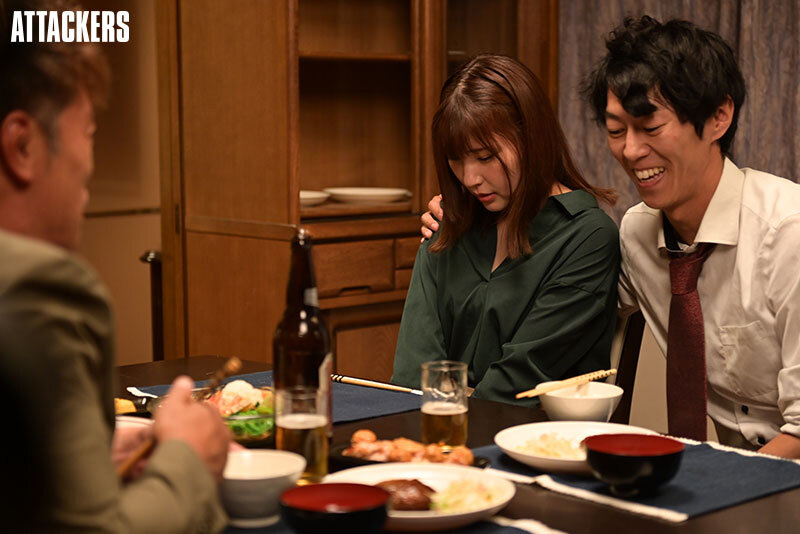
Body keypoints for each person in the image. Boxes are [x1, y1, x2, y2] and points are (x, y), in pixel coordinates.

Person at [422, 17, 800, 459]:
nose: (631, 151)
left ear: (719, 117)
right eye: (616, 131)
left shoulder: (787, 233)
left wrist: (717, 486)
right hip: (729, 463)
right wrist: (461, 224)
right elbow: (565, 294)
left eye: (651, 128)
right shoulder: (639, 234)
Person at [0, 0, 231, 531]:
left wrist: (85, 455)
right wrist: (189, 459)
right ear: (23, 145)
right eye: (88, 132)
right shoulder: (40, 288)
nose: (90, 164)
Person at [393, 55, 620, 406]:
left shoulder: (586, 237)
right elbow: (411, 379)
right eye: (456, 160)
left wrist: (454, 397)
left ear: (531, 139)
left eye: (485, 157)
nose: (470, 179)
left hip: (542, 438)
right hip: (437, 434)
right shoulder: (446, 226)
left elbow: (518, 384)